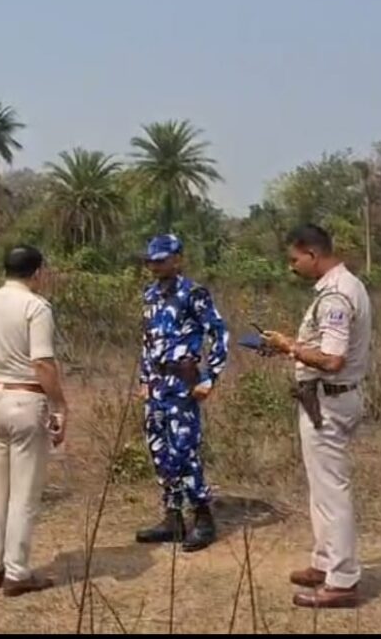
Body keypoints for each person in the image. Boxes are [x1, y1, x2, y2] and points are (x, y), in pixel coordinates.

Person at [260, 224, 372, 609]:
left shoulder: (337, 295)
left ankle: (342, 580)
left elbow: (332, 359)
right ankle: (325, 562)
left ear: (312, 253)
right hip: (325, 399)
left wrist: (290, 347)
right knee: (321, 490)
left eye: (294, 259)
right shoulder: (341, 286)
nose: (292, 267)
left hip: (329, 400)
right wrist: (291, 347)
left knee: (331, 492)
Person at [0, 245, 67, 597]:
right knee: (23, 493)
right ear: (37, 272)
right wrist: (59, 404)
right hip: (26, 398)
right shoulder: (35, 307)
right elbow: (42, 362)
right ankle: (18, 572)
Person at [135, 234, 230, 553]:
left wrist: (210, 377)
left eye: (161, 260)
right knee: (159, 449)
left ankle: (203, 517)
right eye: (152, 261)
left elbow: (219, 333)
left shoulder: (193, 293)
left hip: (182, 383)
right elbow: (148, 341)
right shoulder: (150, 294)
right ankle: (172, 517)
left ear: (177, 259)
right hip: (157, 384)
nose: (155, 266)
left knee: (184, 451)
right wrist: (144, 378)